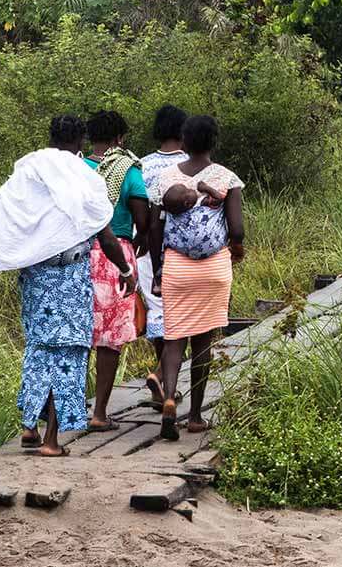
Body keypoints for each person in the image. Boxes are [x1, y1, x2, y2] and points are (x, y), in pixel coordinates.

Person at [0, 115, 132, 457]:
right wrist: (125, 269)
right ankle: (51, 441)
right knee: (70, 352)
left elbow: (3, 217)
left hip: (35, 278)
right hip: (70, 276)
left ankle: (30, 427)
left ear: (51, 136)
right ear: (81, 141)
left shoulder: (29, 171)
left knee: (39, 348)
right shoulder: (84, 176)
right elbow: (103, 232)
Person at [149, 113, 244, 439]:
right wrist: (238, 248)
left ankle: (170, 399)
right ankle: (195, 417)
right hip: (214, 268)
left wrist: (158, 269)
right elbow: (238, 229)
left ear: (184, 142)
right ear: (213, 142)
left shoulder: (165, 178)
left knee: (174, 337)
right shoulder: (227, 178)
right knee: (203, 341)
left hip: (177, 266)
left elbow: (154, 228)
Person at [82, 109, 151, 432]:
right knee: (109, 340)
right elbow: (143, 221)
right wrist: (139, 247)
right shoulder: (128, 171)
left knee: (79, 335)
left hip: (78, 256)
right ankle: (99, 412)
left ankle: (68, 410)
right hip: (115, 257)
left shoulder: (76, 168)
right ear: (120, 139)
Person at [134, 104, 190, 400]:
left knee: (159, 313)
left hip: (146, 247)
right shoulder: (192, 165)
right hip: (180, 251)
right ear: (184, 131)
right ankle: (160, 376)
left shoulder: (142, 166)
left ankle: (162, 390)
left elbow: (140, 212)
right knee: (183, 319)